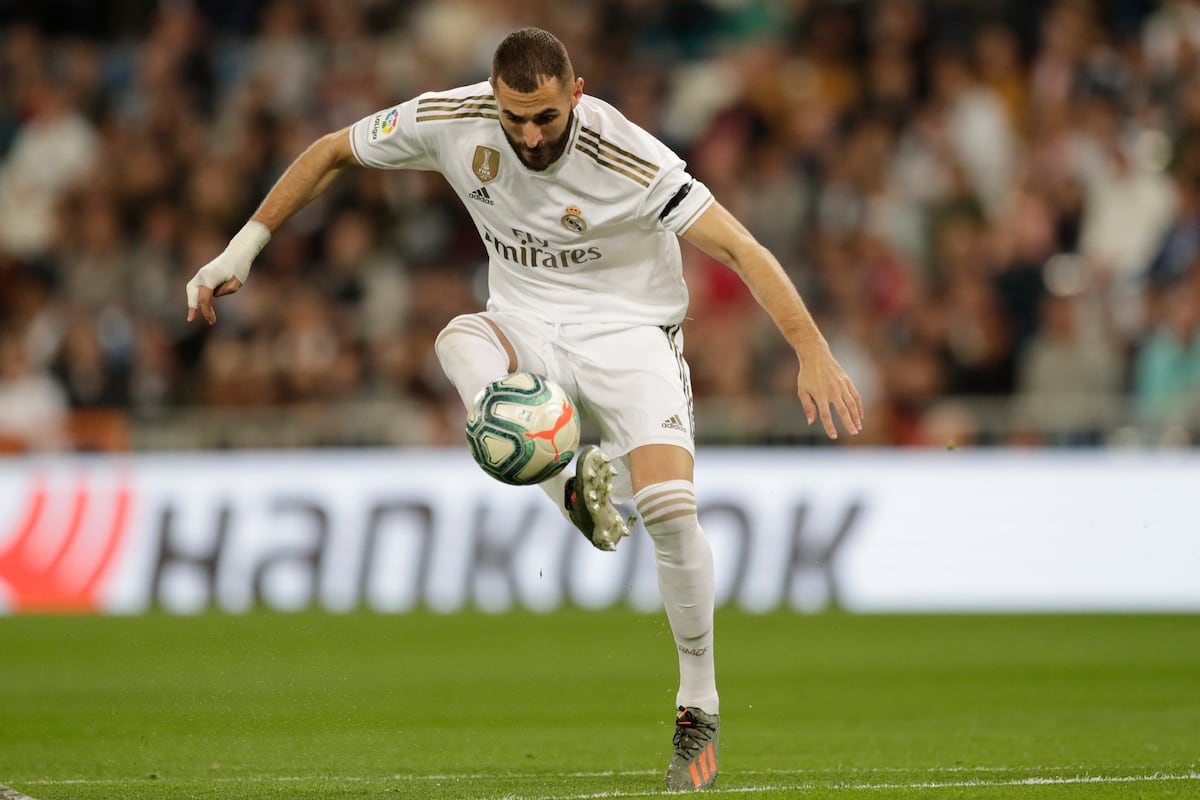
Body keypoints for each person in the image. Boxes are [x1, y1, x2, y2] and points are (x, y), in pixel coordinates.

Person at [186, 27, 863, 791]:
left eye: (547, 117)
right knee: (457, 339)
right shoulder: (452, 119)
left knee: (671, 512)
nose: (531, 136)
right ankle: (565, 484)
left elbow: (741, 248)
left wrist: (811, 349)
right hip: (529, 326)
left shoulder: (628, 155)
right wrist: (241, 249)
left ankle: (698, 705)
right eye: (516, 119)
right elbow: (330, 151)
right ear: (494, 98)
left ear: (577, 94)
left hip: (631, 335)